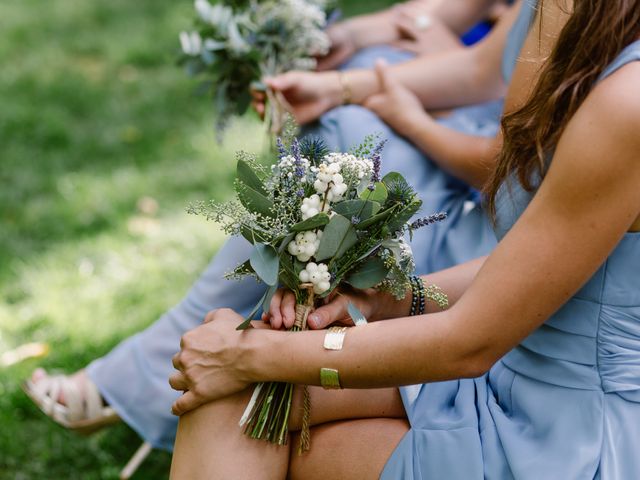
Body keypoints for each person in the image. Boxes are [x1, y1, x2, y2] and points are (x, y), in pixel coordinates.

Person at [24, 0, 515, 462]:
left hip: (495, 219)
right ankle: (187, 354)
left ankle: (170, 364)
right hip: (470, 140)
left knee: (346, 147)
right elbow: (470, 49)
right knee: (338, 129)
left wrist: (411, 88)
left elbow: (502, 143)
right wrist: (357, 58)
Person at [168, 0, 640, 478]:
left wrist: (249, 354)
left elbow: (469, 344)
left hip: (568, 437)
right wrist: (384, 299)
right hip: (507, 374)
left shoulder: (629, 101)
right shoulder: (555, 13)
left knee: (243, 383)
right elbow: (551, 268)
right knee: (236, 393)